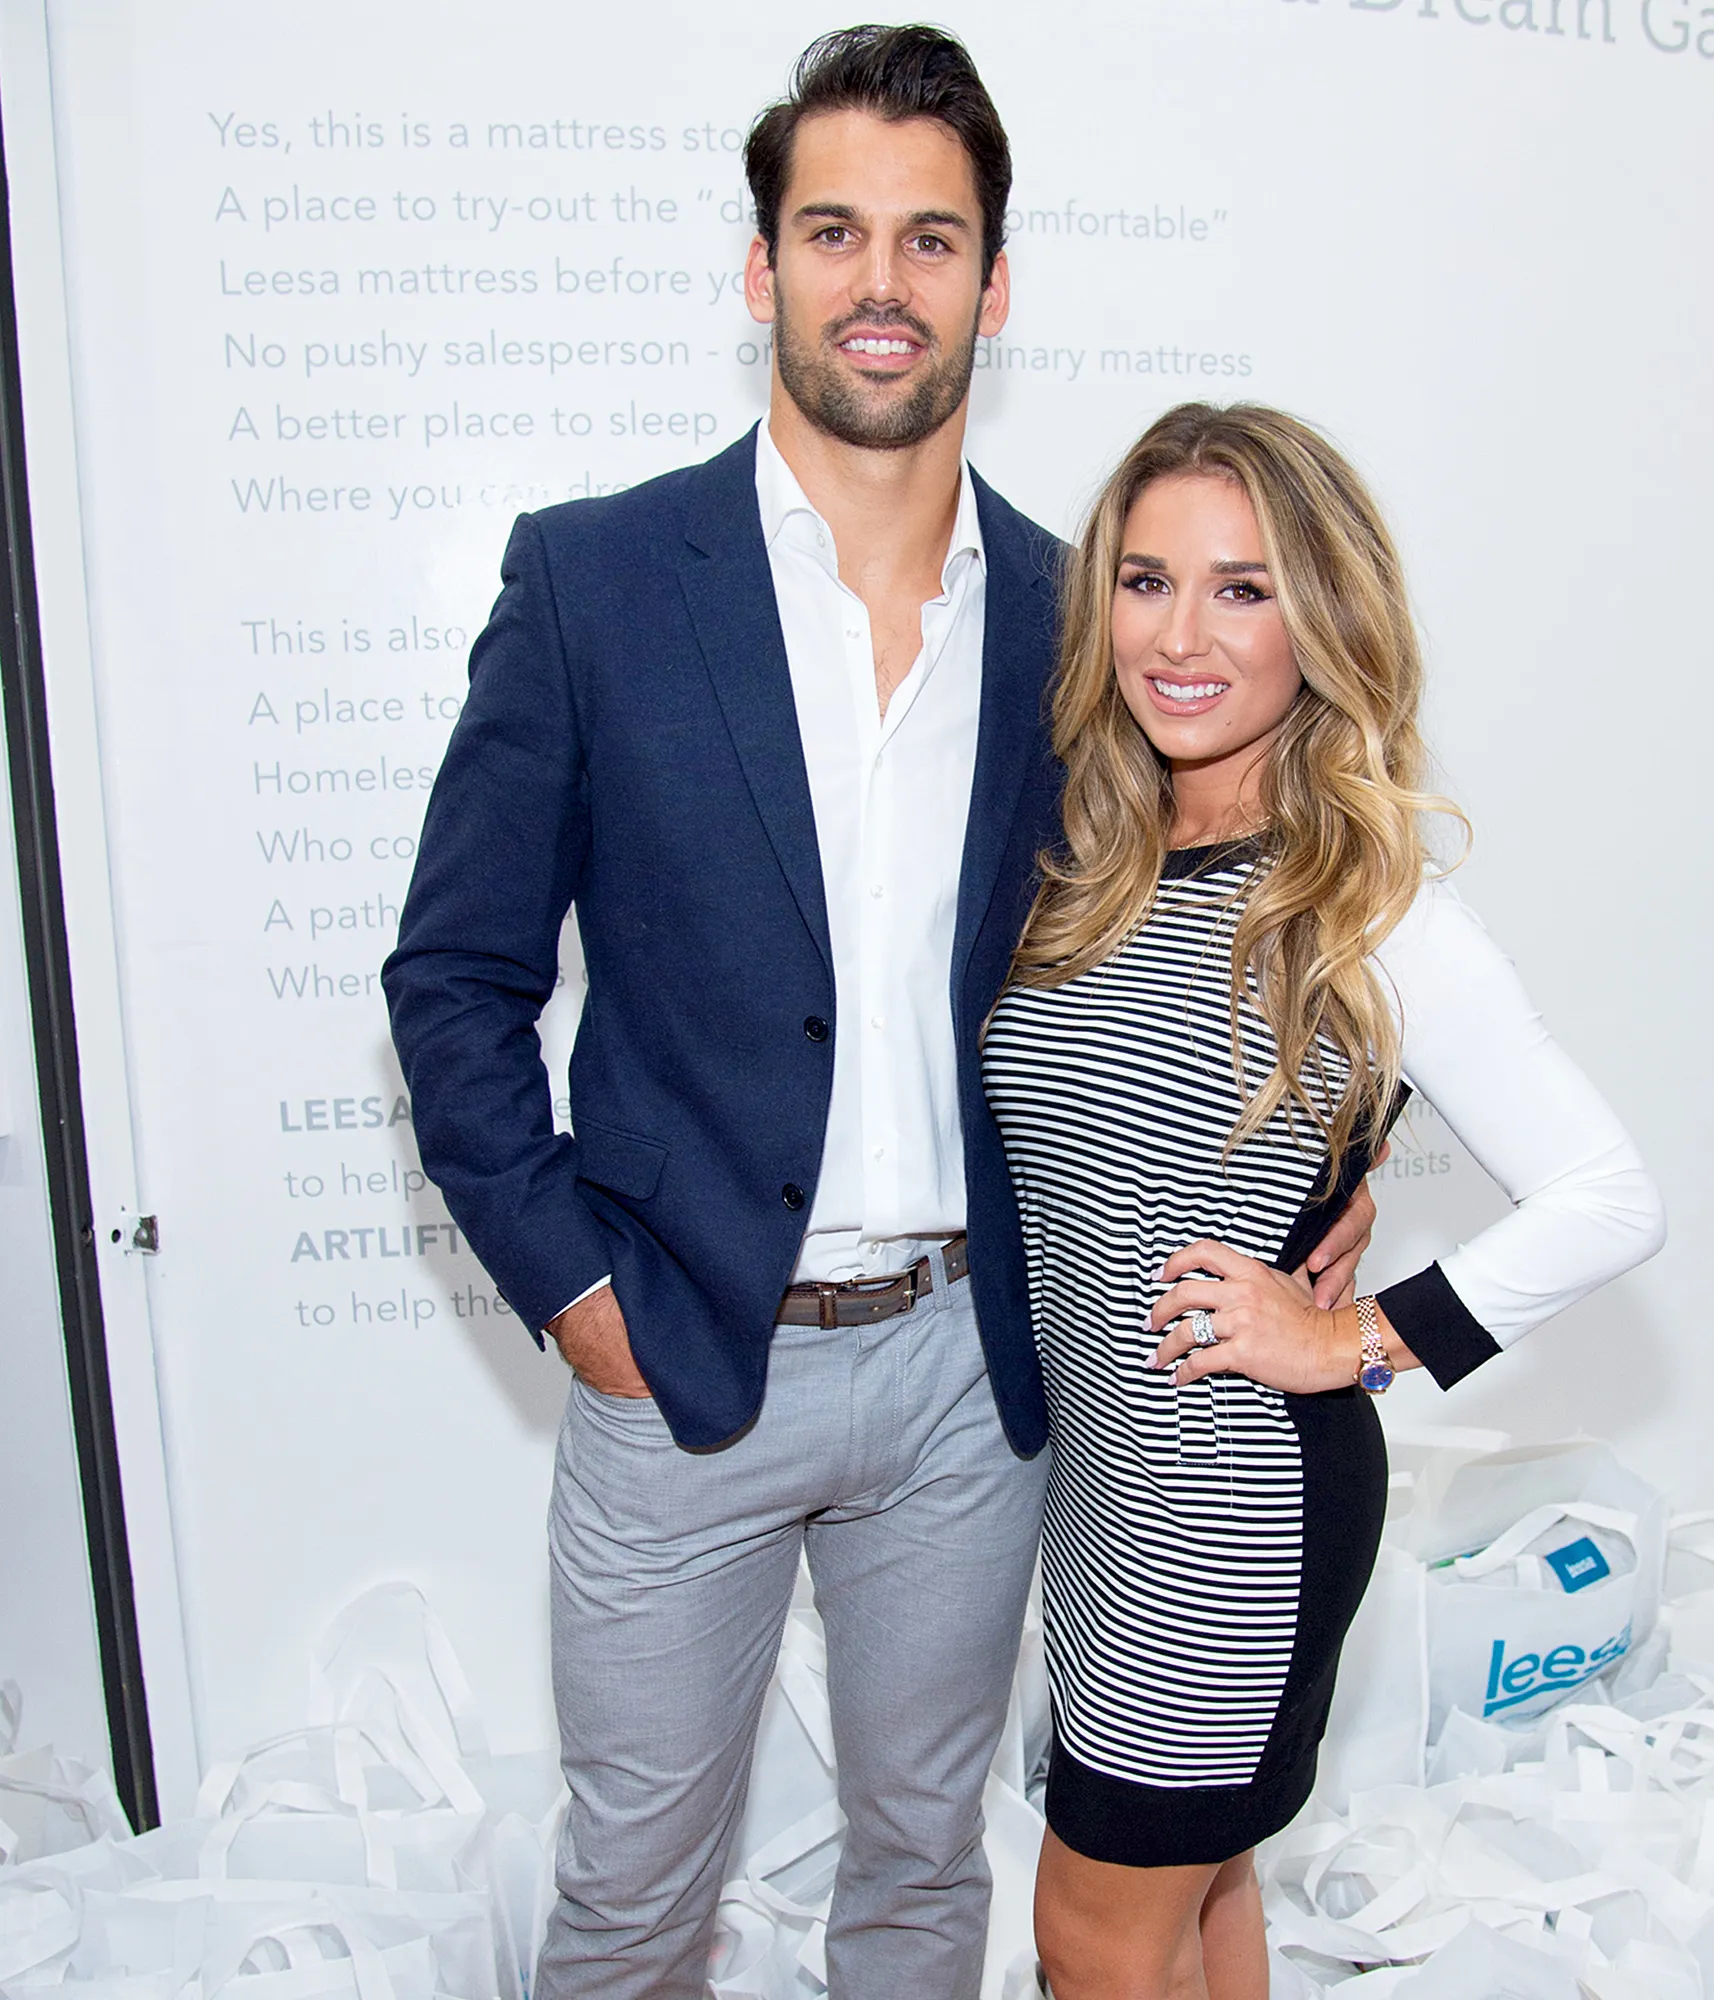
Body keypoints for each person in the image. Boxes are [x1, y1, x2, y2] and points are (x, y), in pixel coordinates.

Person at [383, 33, 1374, 2000]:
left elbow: (1249, 886)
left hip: (966, 1383)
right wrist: (579, 1300)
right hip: (674, 1350)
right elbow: (454, 976)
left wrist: (1315, 1188)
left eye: (932, 239)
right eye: (832, 231)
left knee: (925, 1877)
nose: (881, 281)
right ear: (762, 269)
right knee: (634, 1901)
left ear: (992, 288)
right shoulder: (594, 581)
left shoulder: (1077, 617)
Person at [982, 402, 1668, 2000]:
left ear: (1324, 618)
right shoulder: (1096, 854)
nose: (1181, 634)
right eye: (1146, 581)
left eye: (1243, 587)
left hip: (1230, 1503)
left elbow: (1607, 1194)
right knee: (1204, 1891)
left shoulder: (1371, 903)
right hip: (1103, 1483)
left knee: (1094, 1930)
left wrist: (1359, 1334)